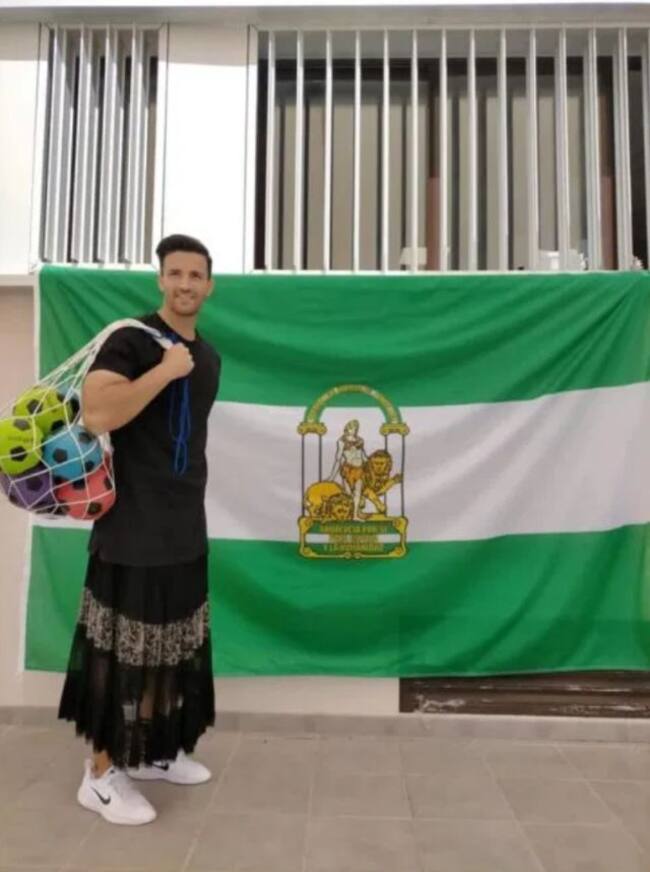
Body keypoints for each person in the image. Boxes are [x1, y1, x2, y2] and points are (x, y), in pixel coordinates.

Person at [58, 233, 221, 826]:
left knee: (173, 649)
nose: (184, 284)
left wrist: (185, 365)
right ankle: (99, 776)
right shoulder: (134, 339)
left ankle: (150, 752)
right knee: (119, 655)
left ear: (209, 284)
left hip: (184, 528)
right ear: (160, 280)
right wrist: (165, 370)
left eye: (195, 275)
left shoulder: (211, 356)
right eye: (174, 273)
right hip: (129, 530)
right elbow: (98, 412)